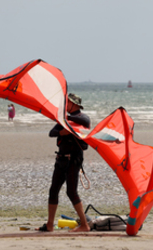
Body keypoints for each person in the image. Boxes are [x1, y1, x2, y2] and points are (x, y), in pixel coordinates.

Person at [38, 93, 91, 232]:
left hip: (74, 159)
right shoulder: (63, 119)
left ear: (75, 104)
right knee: (53, 190)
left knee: (71, 192)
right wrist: (62, 132)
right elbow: (52, 133)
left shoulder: (82, 118)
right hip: (61, 159)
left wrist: (64, 121)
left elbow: (84, 122)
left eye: (68, 103)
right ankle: (50, 225)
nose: (65, 105)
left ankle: (85, 225)